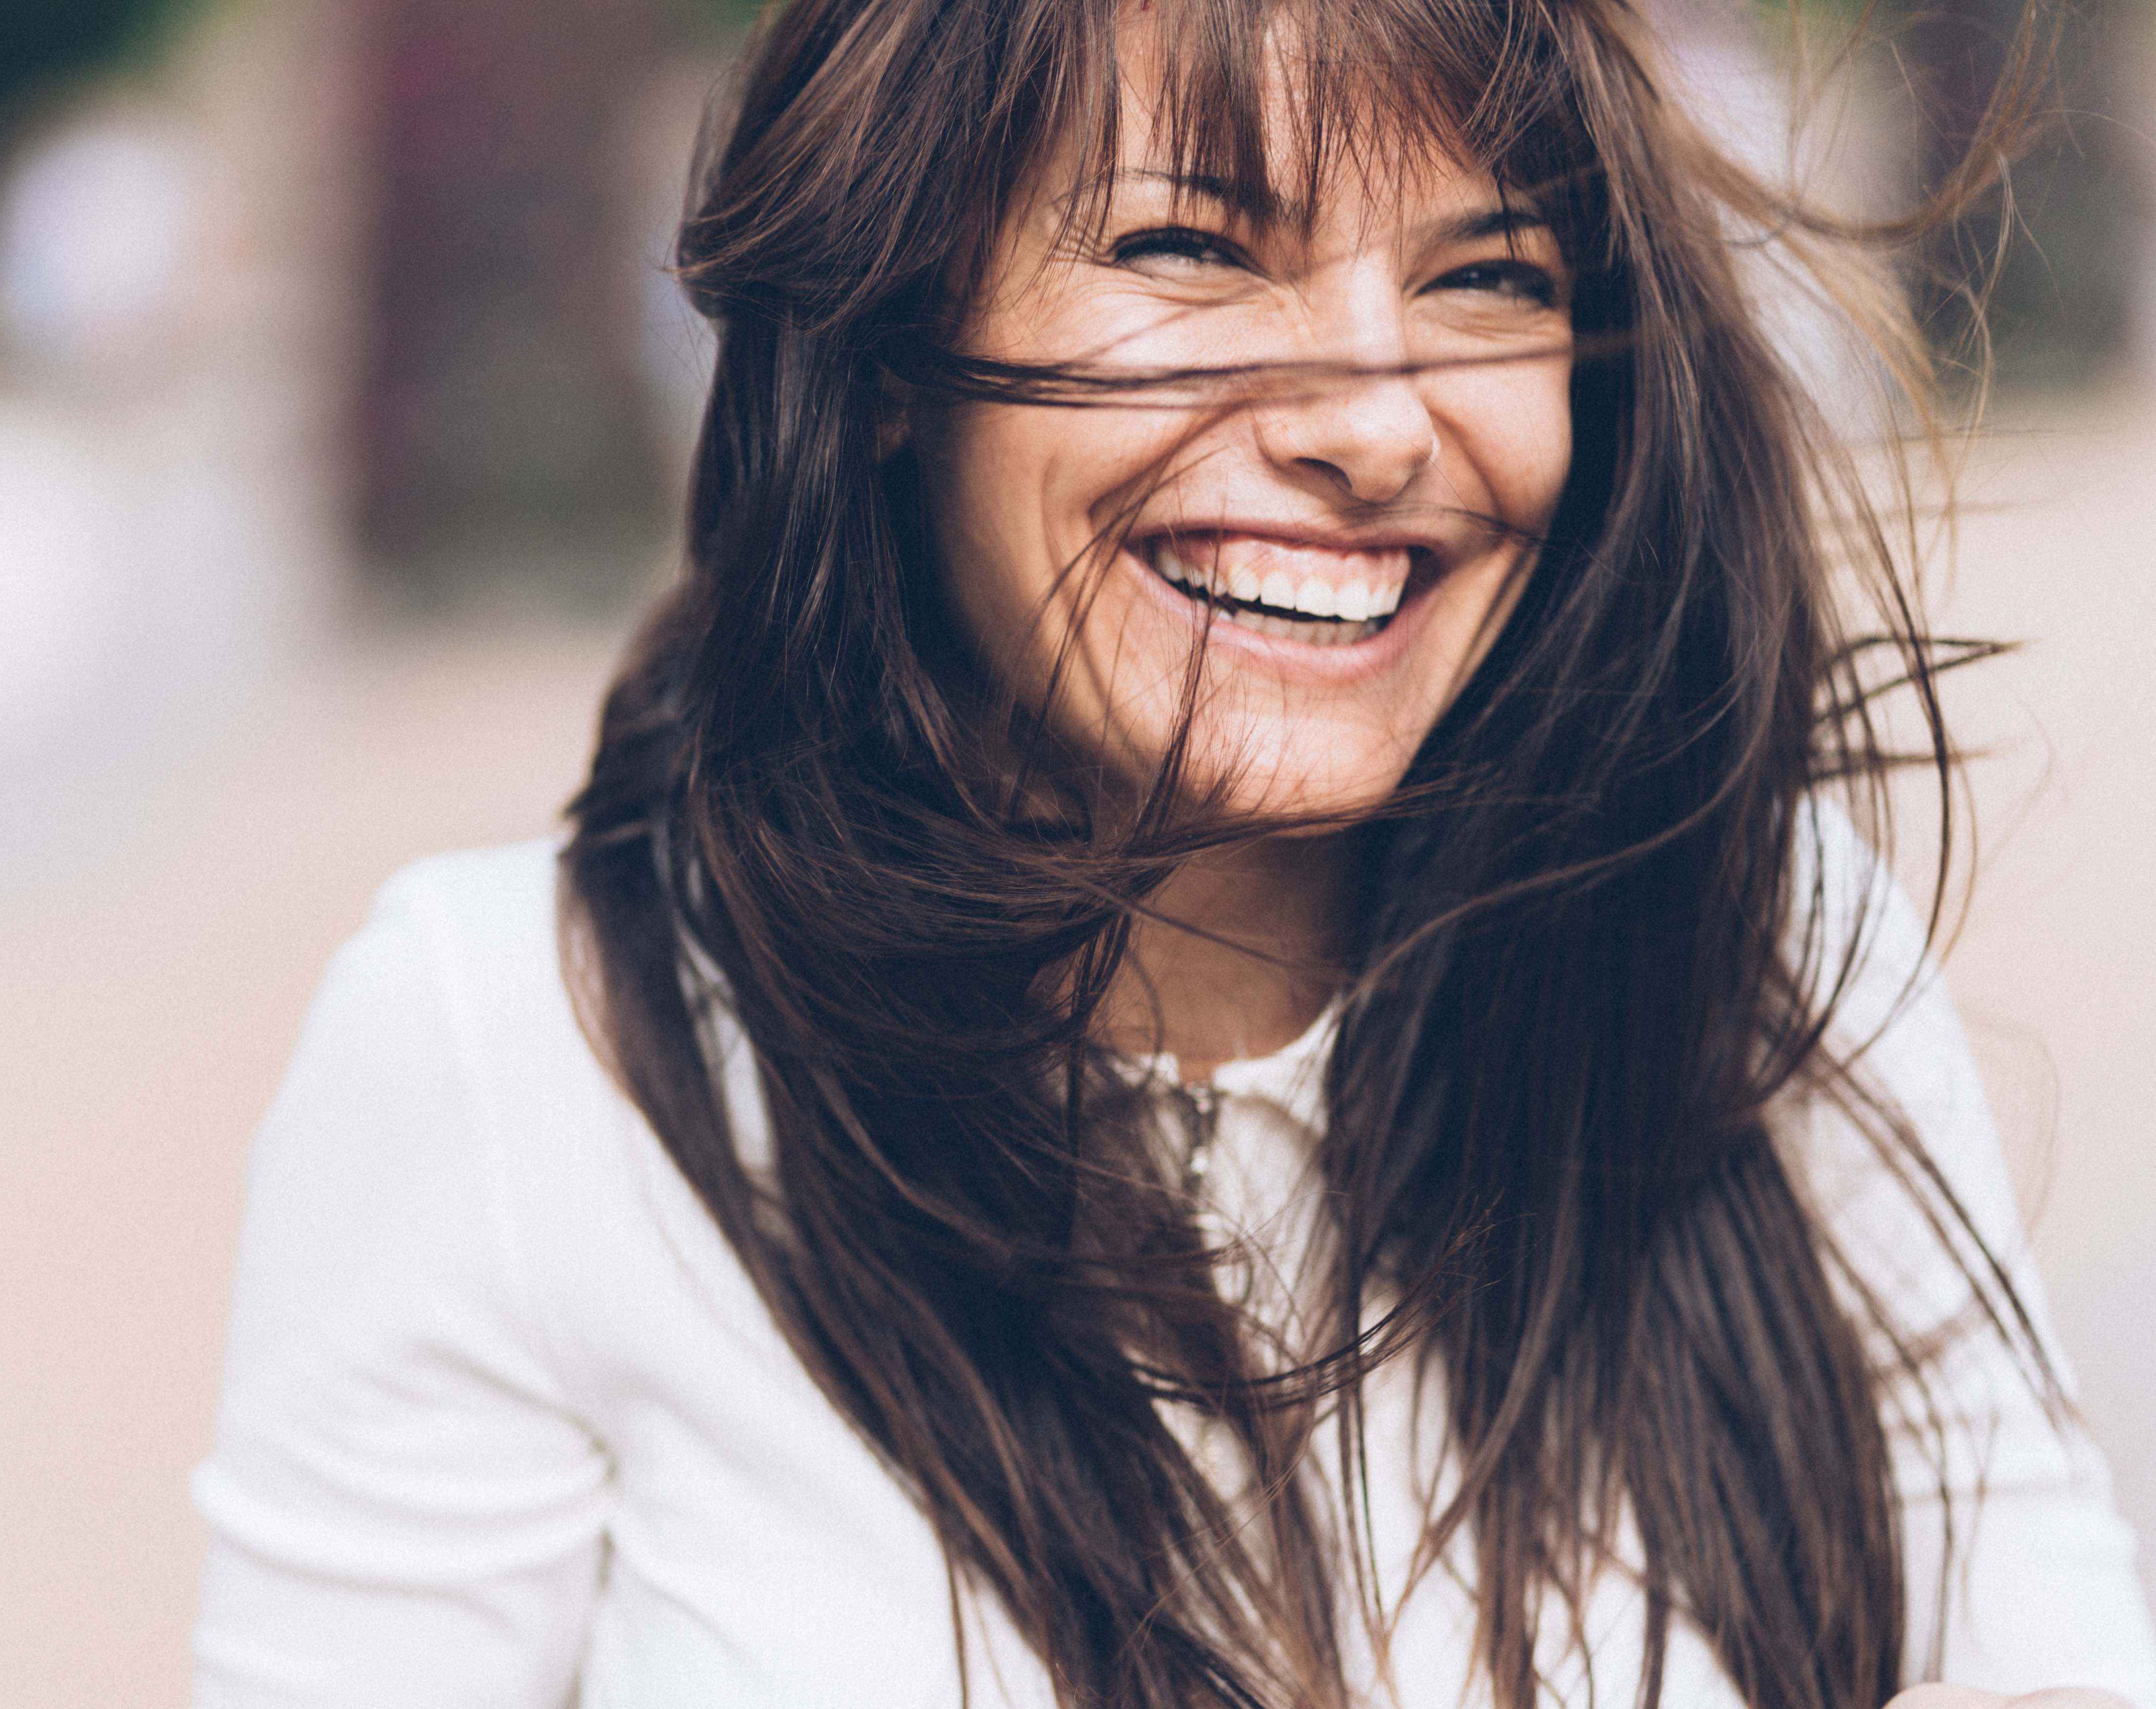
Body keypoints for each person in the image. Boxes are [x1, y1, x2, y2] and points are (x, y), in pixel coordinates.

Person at [187, 0, 2156, 1704]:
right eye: (1194, 249)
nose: (1373, 422)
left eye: (1488, 277)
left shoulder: (1757, 948)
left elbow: (2041, 1600)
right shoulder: (524, 1049)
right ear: (886, 352)